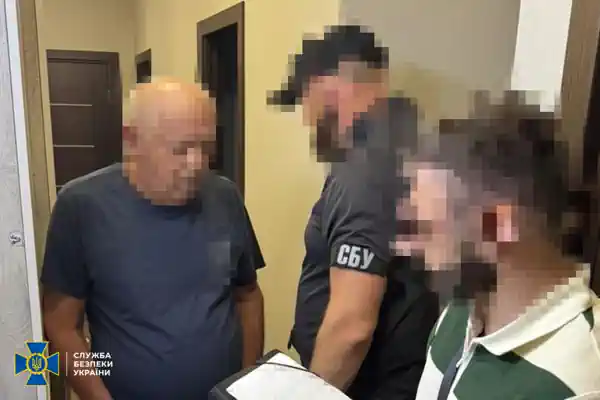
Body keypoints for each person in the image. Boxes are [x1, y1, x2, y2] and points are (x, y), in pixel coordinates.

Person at [41, 78, 266, 399]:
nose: (197, 164)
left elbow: (248, 295)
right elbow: (61, 326)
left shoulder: (225, 197)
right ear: (132, 139)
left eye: (206, 147)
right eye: (181, 149)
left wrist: (246, 384)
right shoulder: (81, 206)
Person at [268, 25, 439, 399]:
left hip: (365, 389)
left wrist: (311, 396)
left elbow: (351, 326)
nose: (307, 119)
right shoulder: (408, 144)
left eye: (305, 100)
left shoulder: (364, 170)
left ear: (328, 85)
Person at [395, 91, 600, 399]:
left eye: (427, 229)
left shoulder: (574, 382)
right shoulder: (462, 311)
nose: (407, 249)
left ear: (496, 226)